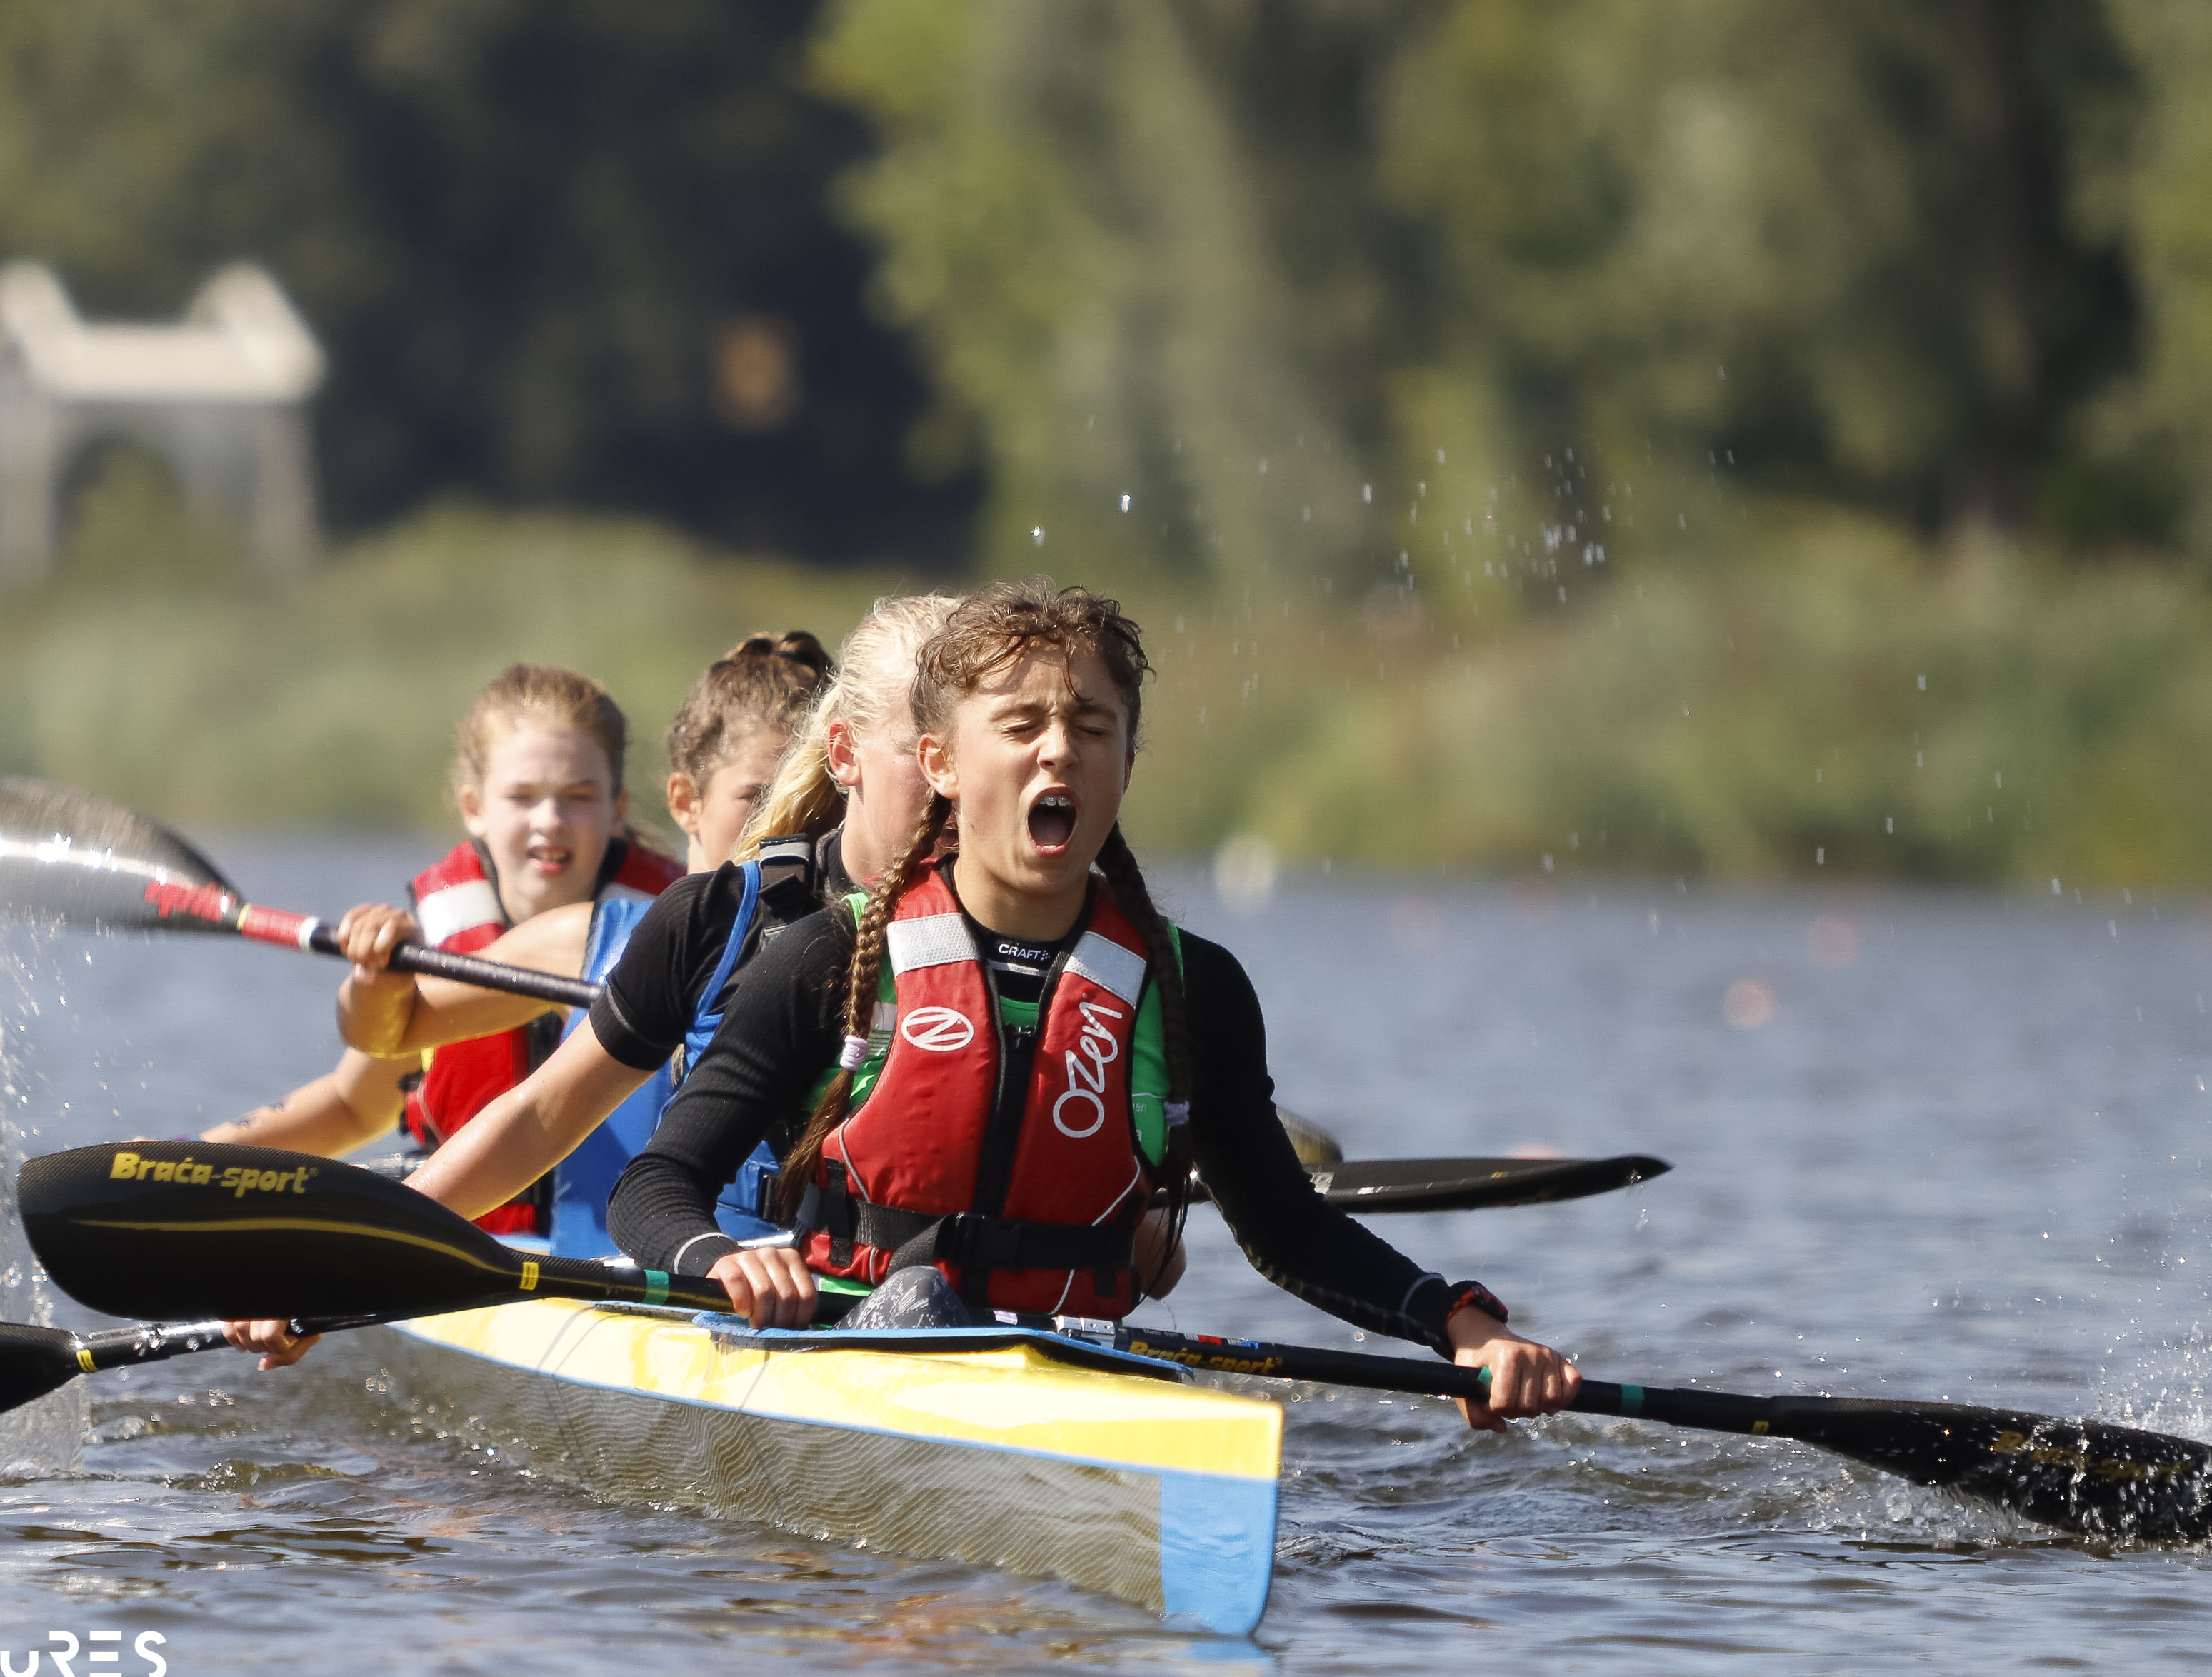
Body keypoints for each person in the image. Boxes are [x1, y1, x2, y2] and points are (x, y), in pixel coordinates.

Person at [604, 579, 1581, 1430]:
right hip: (854, 1354)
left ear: (1126, 759)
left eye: (1092, 728)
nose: (1059, 753)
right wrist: (719, 1258)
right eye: (1022, 727)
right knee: (915, 1312)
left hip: (1072, 1368)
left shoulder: (1196, 988)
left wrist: (1465, 1324)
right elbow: (652, 1187)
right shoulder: (831, 958)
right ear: (941, 764)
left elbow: (1288, 1230)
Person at [225, 601, 949, 1368]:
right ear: (685, 802)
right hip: (705, 1284)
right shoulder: (667, 927)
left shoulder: (1041, 931)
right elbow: (439, 1073)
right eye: (750, 795)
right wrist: (342, 1263)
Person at [202, 664, 684, 1244]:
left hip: (626, 1254)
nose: (551, 821)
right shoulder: (437, 940)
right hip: (465, 1242)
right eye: (523, 796)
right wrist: (193, 1160)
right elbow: (352, 1108)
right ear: (474, 807)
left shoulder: (676, 935)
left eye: (578, 797)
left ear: (617, 809)